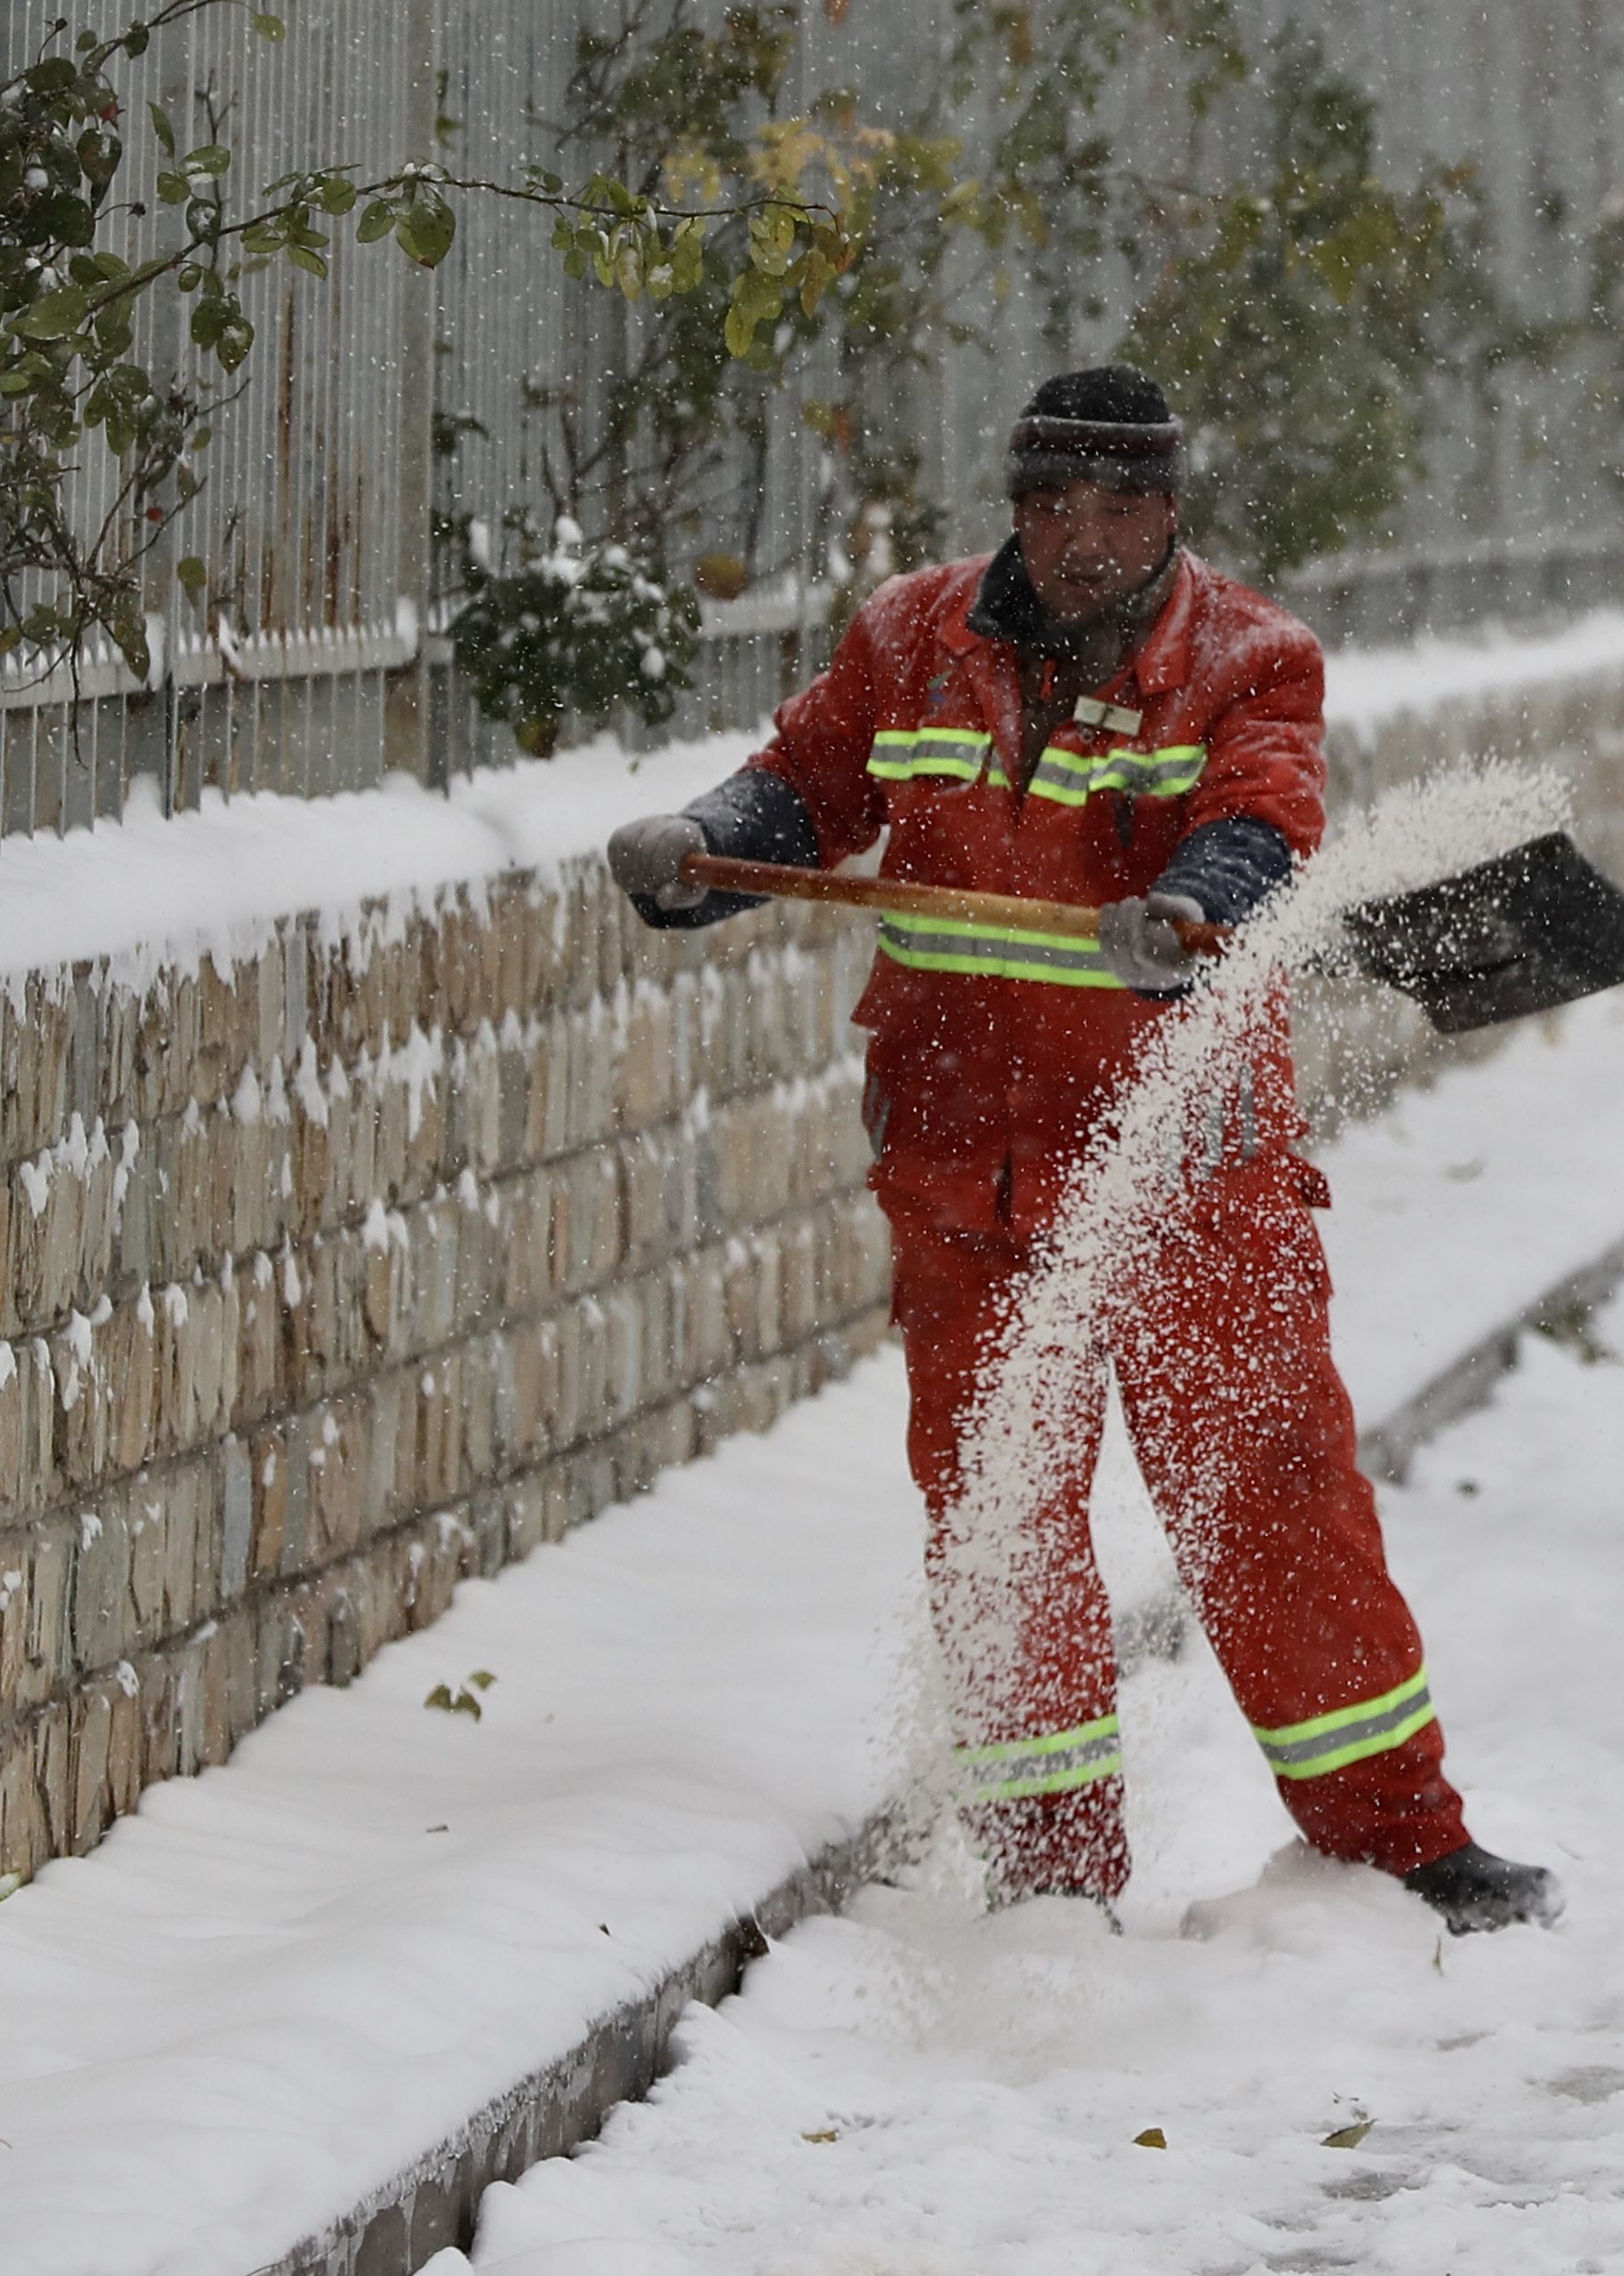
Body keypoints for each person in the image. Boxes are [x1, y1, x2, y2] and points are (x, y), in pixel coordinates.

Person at [602, 366, 1559, 1934]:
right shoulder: (913, 639)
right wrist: (696, 849)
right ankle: (1051, 1879)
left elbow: (1264, 822)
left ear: (1169, 511)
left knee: (1269, 1497)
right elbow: (804, 783)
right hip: (965, 1165)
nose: (1085, 536)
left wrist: (1192, 911)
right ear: (1018, 509)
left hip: (1184, 1169)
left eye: (1119, 503)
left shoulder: (1251, 659)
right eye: (1055, 503)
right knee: (997, 1521)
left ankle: (1398, 1838)